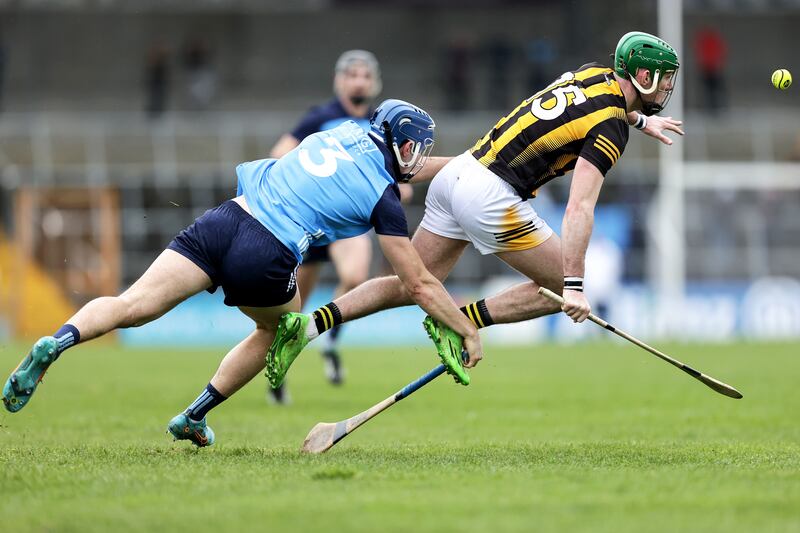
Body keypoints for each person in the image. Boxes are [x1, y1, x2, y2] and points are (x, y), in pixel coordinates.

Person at [2, 99, 484, 447]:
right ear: (399, 145)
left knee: (131, 305)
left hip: (226, 219)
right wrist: (465, 328)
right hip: (267, 251)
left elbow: (413, 168)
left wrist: (471, 162)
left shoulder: (346, 131)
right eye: (414, 147)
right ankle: (194, 415)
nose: (419, 157)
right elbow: (417, 283)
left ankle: (59, 341)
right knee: (277, 330)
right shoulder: (384, 201)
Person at [266, 31, 684, 382]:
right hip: (492, 196)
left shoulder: (595, 75)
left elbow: (601, 106)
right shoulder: (611, 127)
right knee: (558, 286)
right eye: (664, 80)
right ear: (643, 75)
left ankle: (308, 325)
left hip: (459, 174)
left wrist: (643, 120)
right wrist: (574, 286)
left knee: (410, 283)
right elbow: (579, 207)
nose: (667, 88)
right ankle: (457, 321)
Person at [268, 50, 390, 403]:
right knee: (292, 310)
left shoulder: (380, 122)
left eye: (365, 76)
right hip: (309, 221)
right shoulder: (320, 118)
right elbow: (279, 154)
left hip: (350, 222)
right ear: (339, 80)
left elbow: (394, 167)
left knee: (355, 277)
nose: (359, 81)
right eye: (352, 75)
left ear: (375, 82)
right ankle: (276, 375)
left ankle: (330, 341)